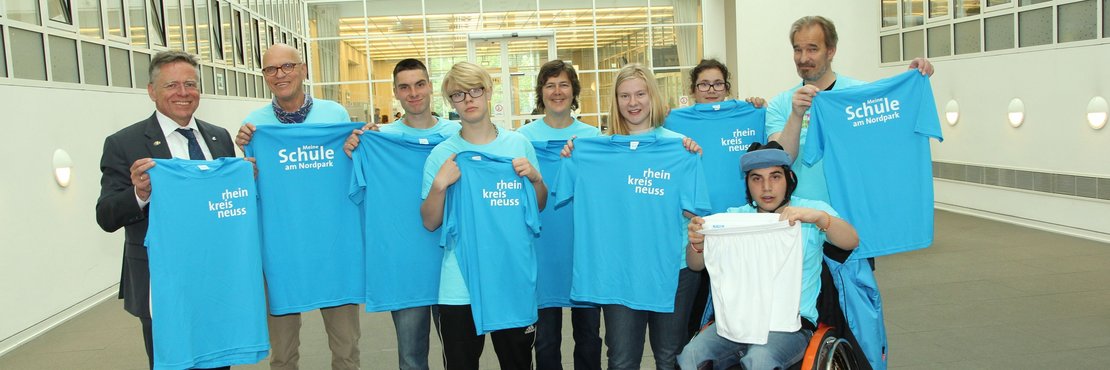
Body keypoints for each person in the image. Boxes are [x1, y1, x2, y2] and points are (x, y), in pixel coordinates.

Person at [95, 50, 235, 370]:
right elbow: (106, 215)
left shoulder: (219, 137)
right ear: (151, 91)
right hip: (161, 283)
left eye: (190, 84)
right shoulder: (124, 143)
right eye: (171, 85)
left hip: (215, 277)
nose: (183, 93)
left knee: (218, 362)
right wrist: (139, 193)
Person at [561, 63, 702, 370]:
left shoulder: (679, 146)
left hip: (672, 268)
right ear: (616, 101)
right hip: (620, 270)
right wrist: (576, 156)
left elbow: (694, 211)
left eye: (640, 93)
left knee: (669, 355)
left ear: (653, 95)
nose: (633, 102)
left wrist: (689, 161)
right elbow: (569, 189)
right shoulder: (594, 151)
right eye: (625, 96)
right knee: (622, 359)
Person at [233, 43, 361, 370]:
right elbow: (249, 182)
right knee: (283, 355)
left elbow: (355, 169)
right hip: (281, 251)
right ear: (264, 76)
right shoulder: (253, 126)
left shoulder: (335, 115)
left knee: (346, 351)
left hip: (333, 250)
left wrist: (359, 145)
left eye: (287, 66)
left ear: (303, 69)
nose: (280, 74)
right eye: (271, 69)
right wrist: (245, 160)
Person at [677, 142, 859, 370]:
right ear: (747, 183)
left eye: (774, 177)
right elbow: (695, 265)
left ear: (789, 179)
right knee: (690, 356)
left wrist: (820, 219)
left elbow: (852, 240)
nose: (766, 187)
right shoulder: (733, 219)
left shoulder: (809, 212)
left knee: (759, 360)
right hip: (737, 320)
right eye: (756, 179)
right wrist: (697, 243)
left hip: (791, 323)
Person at [420, 61, 546, 370]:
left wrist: (534, 178)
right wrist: (439, 185)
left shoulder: (518, 145)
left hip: (510, 276)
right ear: (451, 102)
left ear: (488, 92)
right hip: (458, 282)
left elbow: (539, 205)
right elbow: (430, 221)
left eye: (474, 90)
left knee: (517, 363)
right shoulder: (443, 155)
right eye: (458, 95)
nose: (468, 100)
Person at [343, 58, 461, 370]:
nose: (413, 92)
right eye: (405, 87)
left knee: (459, 355)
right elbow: (353, 189)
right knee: (411, 357)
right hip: (404, 267)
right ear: (395, 92)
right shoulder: (379, 138)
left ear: (430, 87)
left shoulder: (459, 134)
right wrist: (355, 147)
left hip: (453, 262)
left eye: (419, 84)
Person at [766, 16, 933, 205]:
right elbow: (780, 159)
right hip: (802, 215)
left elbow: (891, 137)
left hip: (853, 211)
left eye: (812, 49)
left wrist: (911, 82)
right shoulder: (780, 104)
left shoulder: (860, 96)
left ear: (830, 51)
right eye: (798, 50)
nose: (804, 58)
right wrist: (796, 115)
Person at [515, 60, 602, 370]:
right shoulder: (522, 139)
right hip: (541, 249)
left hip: (583, 250)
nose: (557, 91)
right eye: (550, 85)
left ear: (574, 91)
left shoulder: (592, 137)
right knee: (547, 341)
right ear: (541, 92)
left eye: (564, 84)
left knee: (589, 337)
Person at [688, 58, 766, 107]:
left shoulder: (746, 115)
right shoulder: (678, 122)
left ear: (727, 90)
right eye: (704, 84)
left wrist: (766, 112)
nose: (711, 90)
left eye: (718, 84)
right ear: (693, 90)